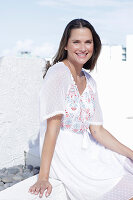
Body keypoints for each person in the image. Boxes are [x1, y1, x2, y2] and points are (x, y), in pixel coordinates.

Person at [28, 19, 133, 200]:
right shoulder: (58, 74)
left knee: (126, 165)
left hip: (90, 150)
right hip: (69, 156)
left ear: (94, 45)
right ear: (66, 45)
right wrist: (43, 177)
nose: (83, 47)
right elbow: (52, 127)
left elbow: (97, 129)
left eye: (88, 42)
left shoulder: (89, 81)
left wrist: (132, 154)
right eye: (76, 42)